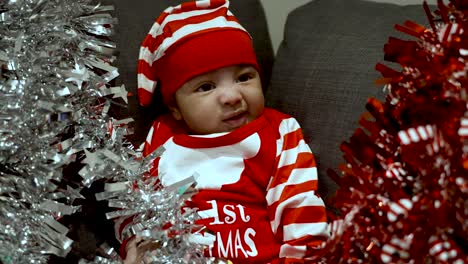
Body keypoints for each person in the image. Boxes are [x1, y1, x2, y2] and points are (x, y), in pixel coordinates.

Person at [115, 0, 329, 263]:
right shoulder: (162, 135)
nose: (232, 96)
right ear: (176, 107)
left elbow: (300, 210)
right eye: (206, 87)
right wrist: (135, 245)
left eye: (244, 77)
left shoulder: (279, 133)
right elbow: (133, 202)